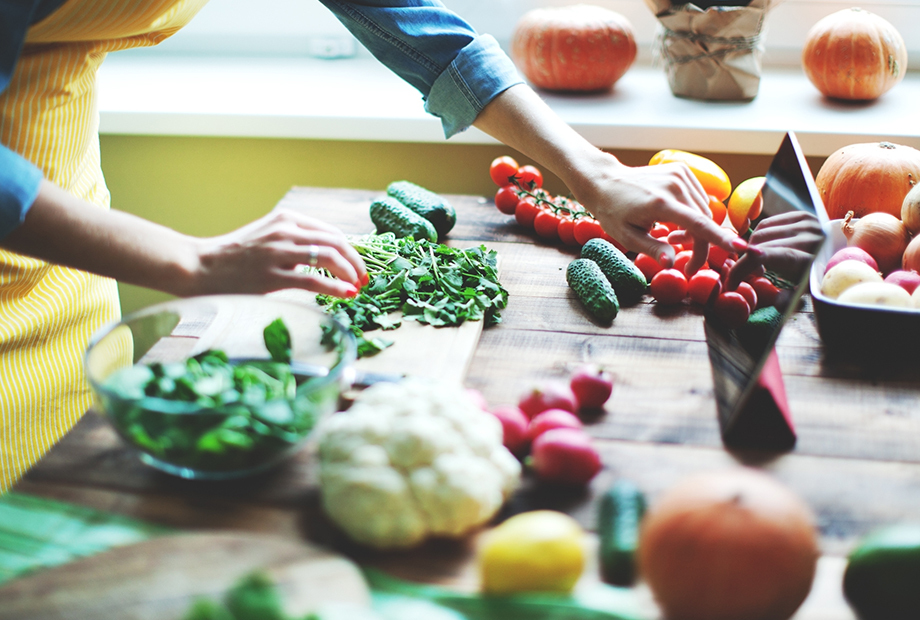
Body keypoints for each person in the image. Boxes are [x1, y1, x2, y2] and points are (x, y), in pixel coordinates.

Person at [0, 0, 742, 492]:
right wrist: (186, 261)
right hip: (32, 219)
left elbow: (416, 28)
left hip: (71, 242)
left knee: (73, 482)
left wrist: (597, 173)